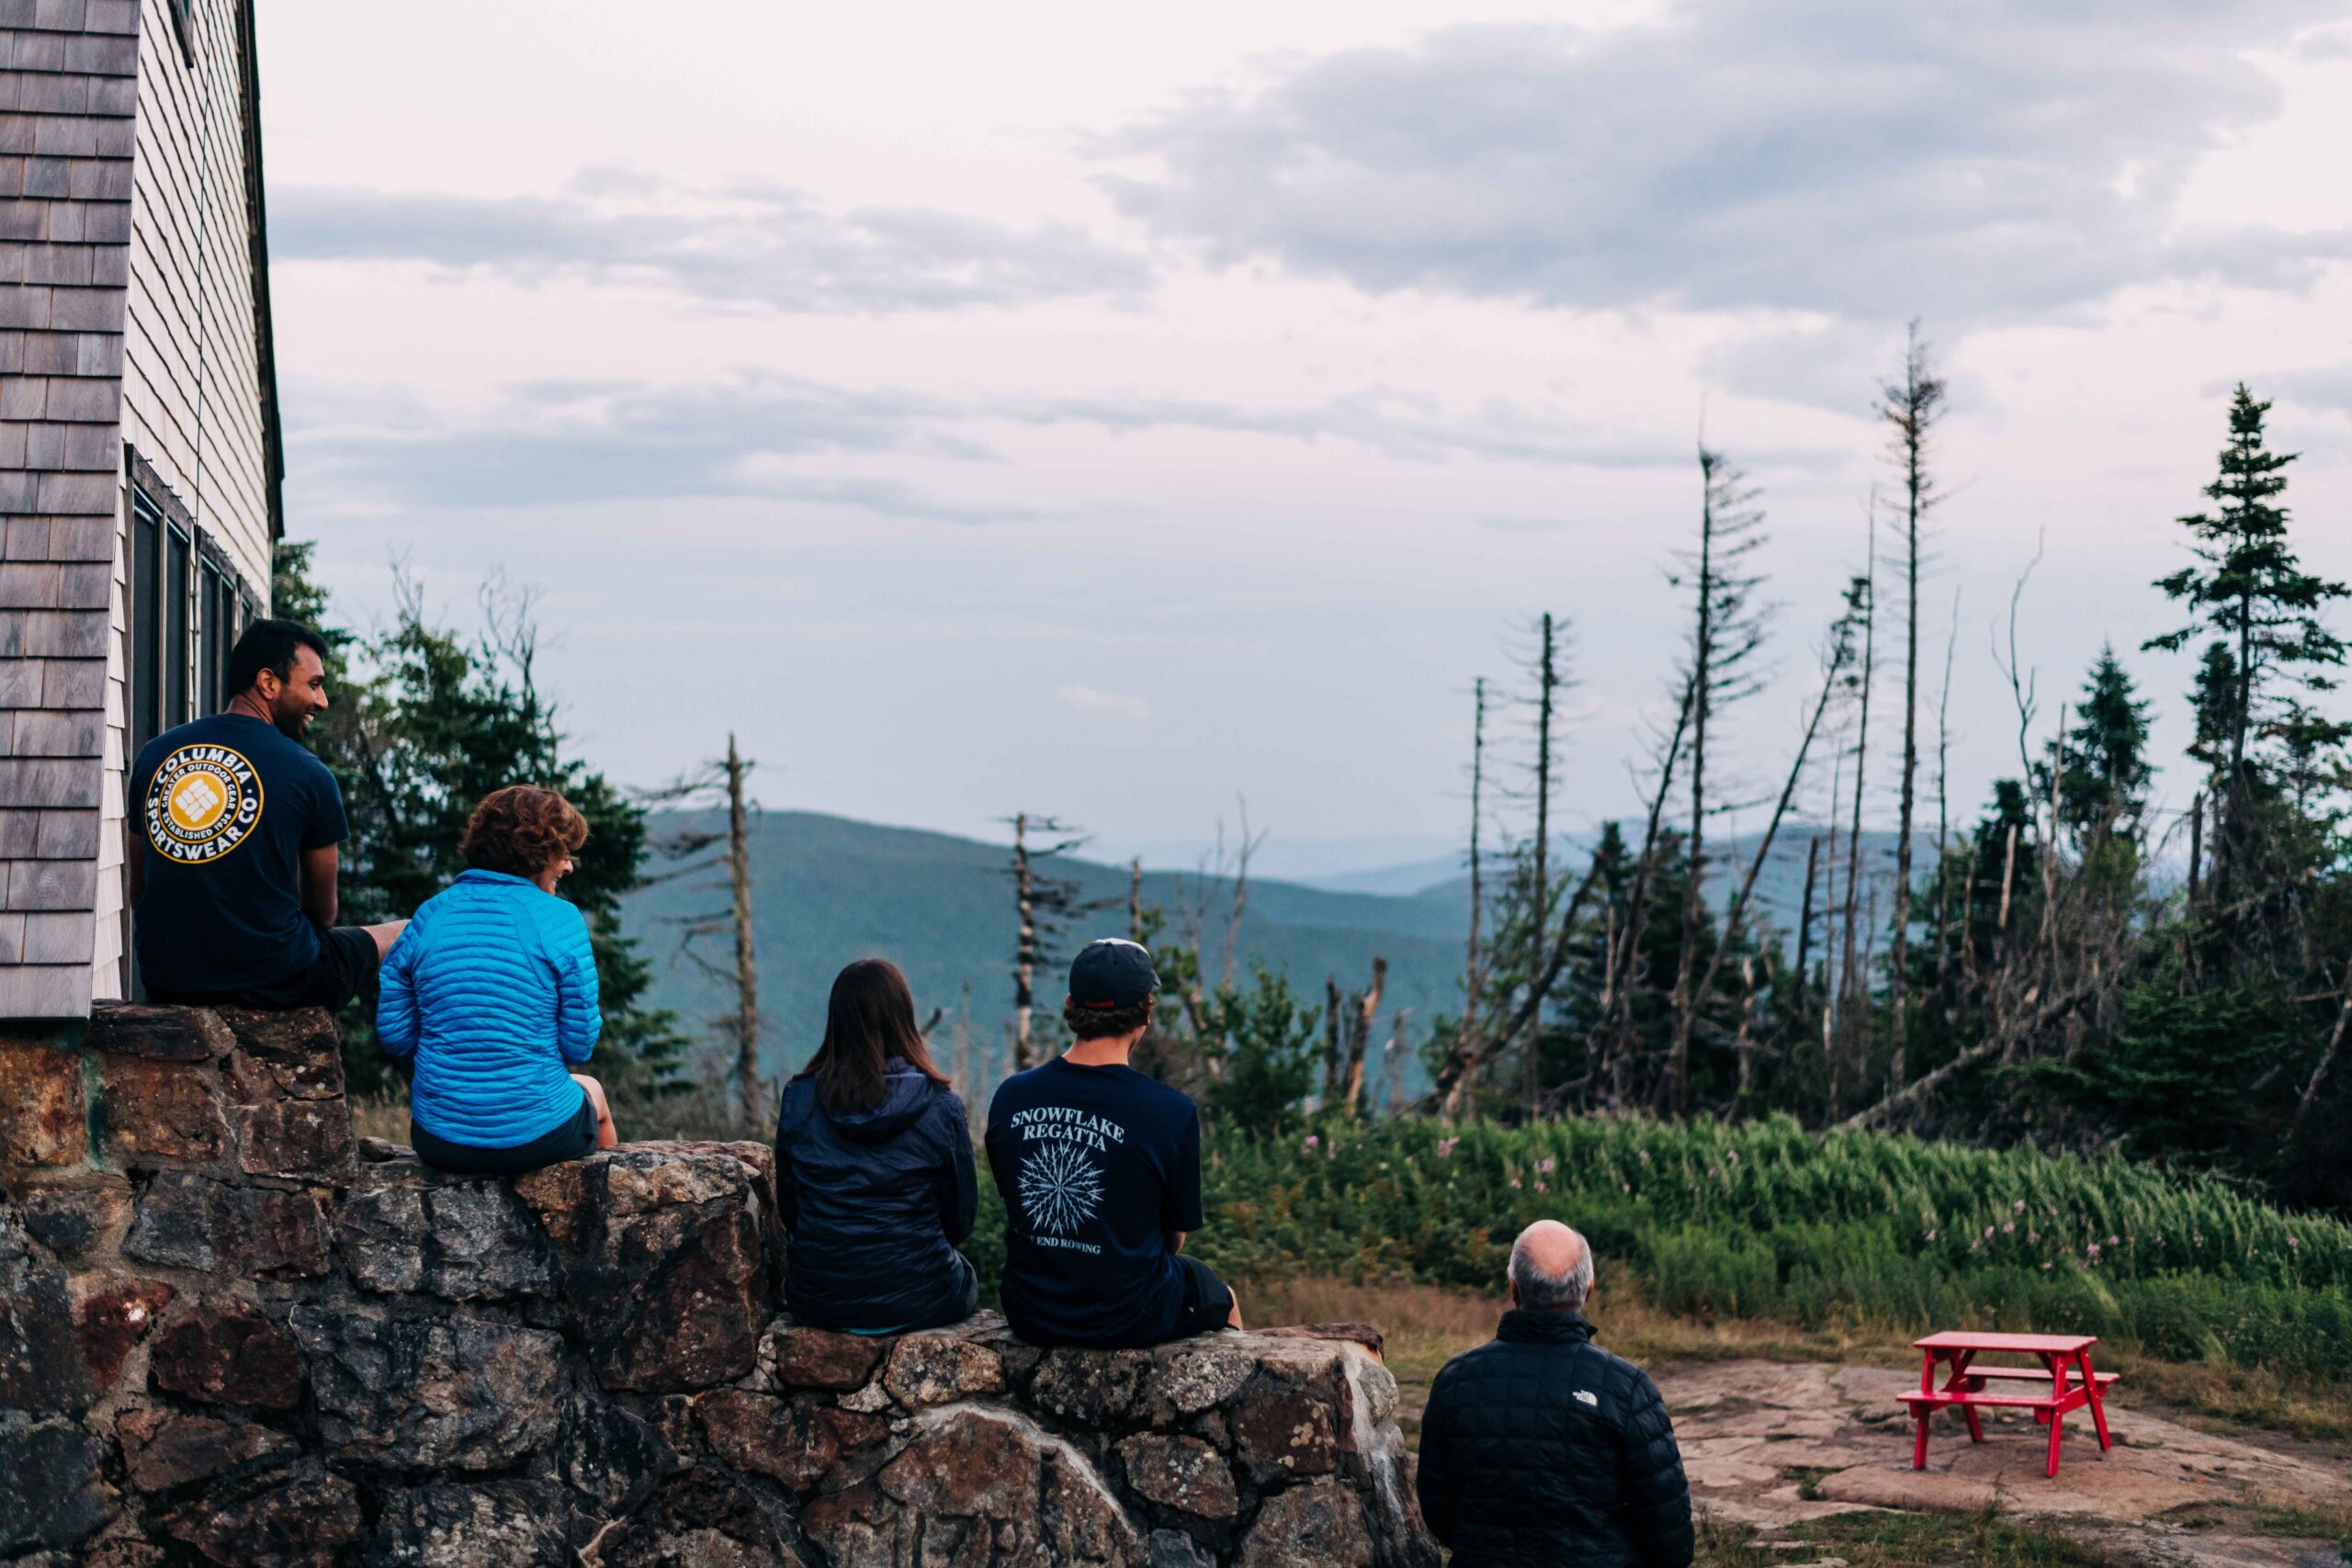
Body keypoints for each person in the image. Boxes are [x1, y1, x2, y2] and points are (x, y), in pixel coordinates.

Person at [130, 619, 404, 1010]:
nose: (322, 701)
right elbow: (322, 915)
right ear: (269, 683)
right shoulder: (308, 773)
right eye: (313, 684)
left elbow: (139, 890)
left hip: (167, 978)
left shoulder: (154, 755)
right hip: (276, 980)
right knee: (406, 932)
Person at [984, 938, 1241, 1348]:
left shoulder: (1011, 1096)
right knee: (1222, 1298)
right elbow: (1173, 1241)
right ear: (1146, 1011)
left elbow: (1016, 1205)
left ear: (1071, 1004)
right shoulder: (1171, 1112)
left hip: (1029, 1309)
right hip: (1128, 1315)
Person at [1417, 1221, 1693, 1568]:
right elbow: (1670, 1532)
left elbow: (1438, 1511)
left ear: (1513, 1288)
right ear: (1588, 1290)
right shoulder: (1628, 1388)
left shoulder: (1455, 1382)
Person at [375, 785, 617, 1176]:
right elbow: (579, 1044)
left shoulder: (429, 916)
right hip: (540, 1136)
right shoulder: (562, 919)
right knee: (594, 1093)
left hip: (439, 1140)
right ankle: (610, 1208)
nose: (568, 866)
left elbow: (396, 1037)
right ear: (536, 854)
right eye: (563, 853)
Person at [773, 959, 979, 1333]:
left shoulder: (799, 1098)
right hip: (920, 1298)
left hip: (818, 1300)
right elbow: (959, 1222)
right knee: (965, 1275)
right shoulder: (940, 1105)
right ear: (903, 1017)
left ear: (836, 1022)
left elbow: (791, 1212)